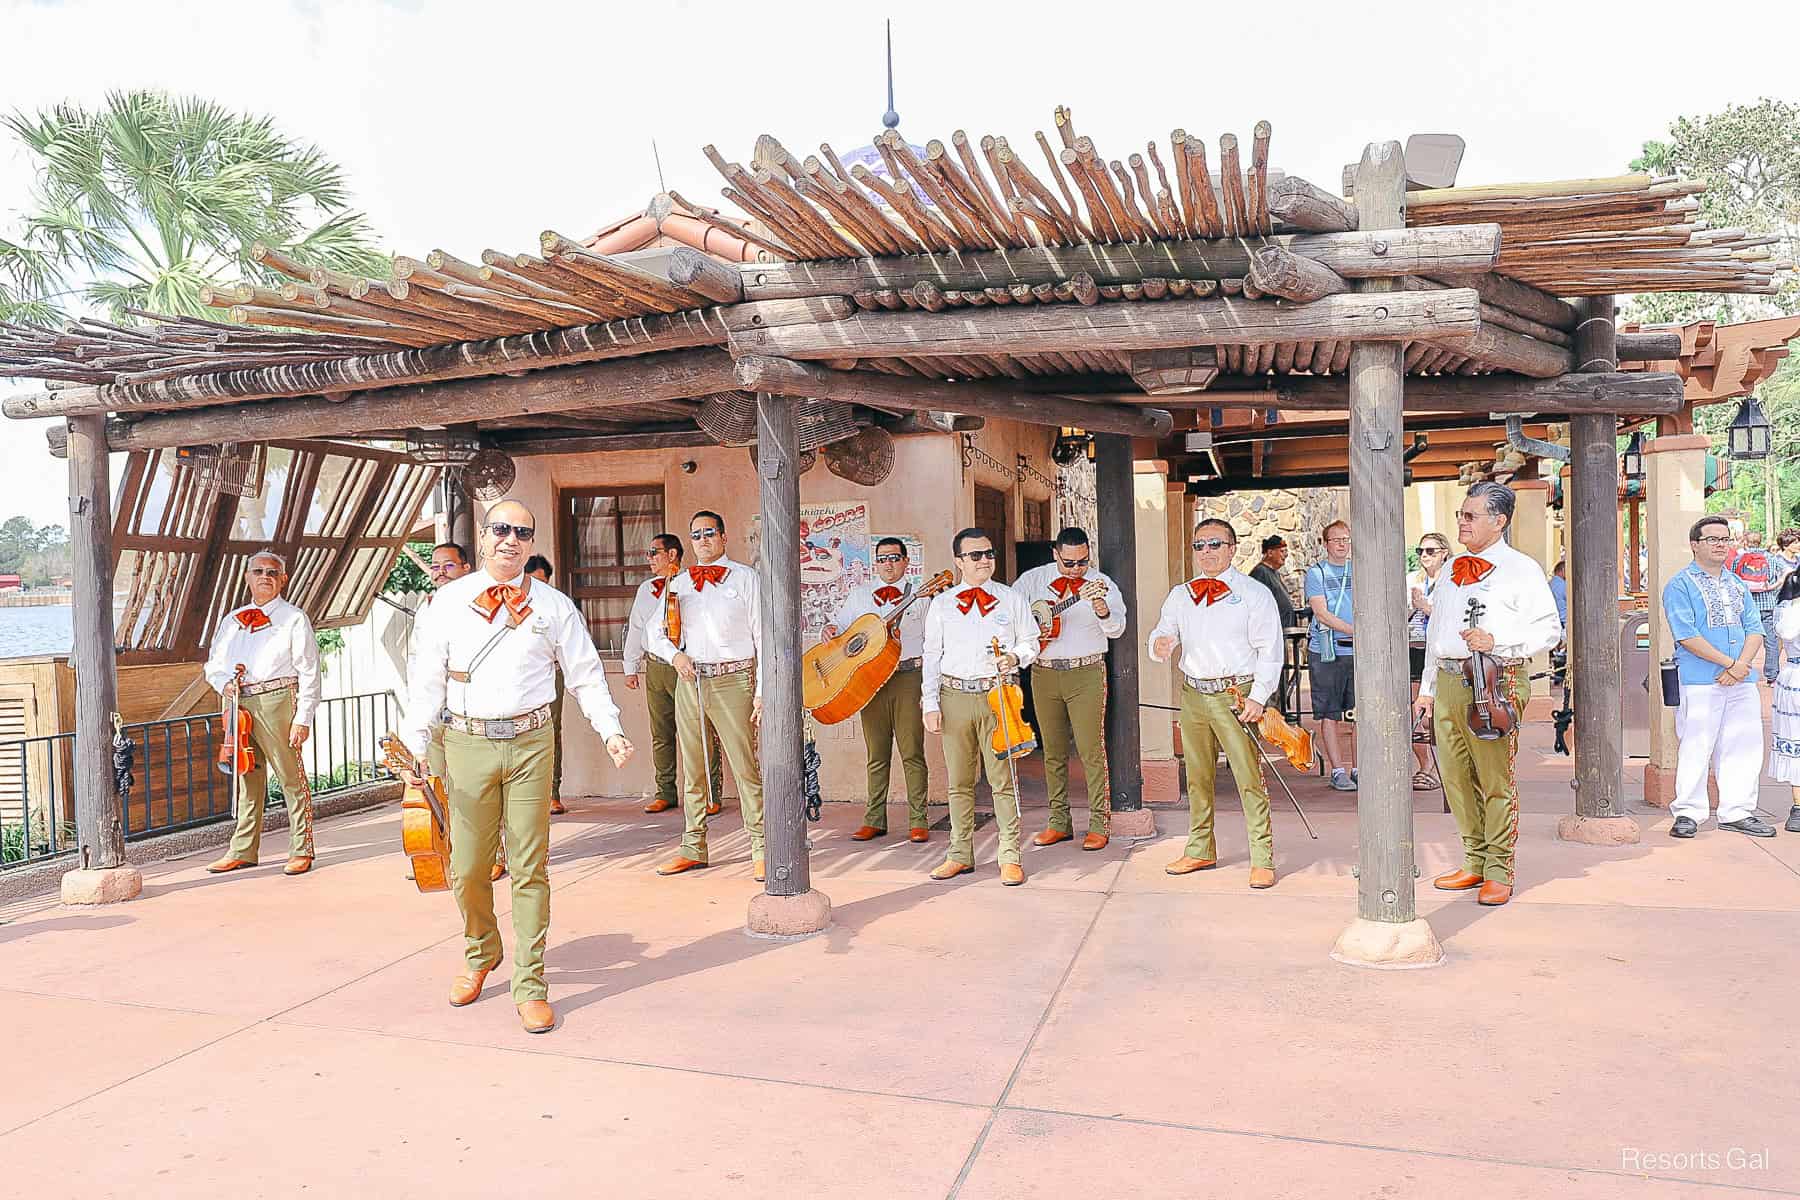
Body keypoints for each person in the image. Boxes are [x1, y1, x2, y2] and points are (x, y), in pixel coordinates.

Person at [401, 500, 633, 1033]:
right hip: (466, 741)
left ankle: (530, 983)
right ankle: (482, 951)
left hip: (531, 743)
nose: (511, 539)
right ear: (483, 537)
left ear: (530, 543)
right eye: (501, 529)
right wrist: (415, 742)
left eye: (522, 533)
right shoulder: (448, 602)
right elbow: (427, 679)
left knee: (530, 868)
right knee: (467, 867)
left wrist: (610, 728)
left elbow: (584, 673)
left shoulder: (553, 606)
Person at [1413, 483, 1563, 907]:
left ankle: (1499, 868)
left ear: (1498, 521)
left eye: (1470, 515)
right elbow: (1437, 633)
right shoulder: (1452, 568)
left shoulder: (1521, 569)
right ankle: (1474, 859)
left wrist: (1497, 639)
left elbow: (1549, 630)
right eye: (1461, 514)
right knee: (1456, 779)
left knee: (1495, 778)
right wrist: (1426, 691)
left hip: (1493, 680)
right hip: (1446, 680)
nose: (1461, 521)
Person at [1148, 518, 1284, 889]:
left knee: (1247, 776)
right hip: (1193, 693)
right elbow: (1163, 630)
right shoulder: (1182, 594)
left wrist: (1259, 697)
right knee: (1197, 775)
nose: (1206, 552)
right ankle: (1200, 847)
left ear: (1232, 548)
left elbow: (1270, 651)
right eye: (1200, 545)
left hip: (1234, 693)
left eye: (1214, 544)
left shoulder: (1254, 593)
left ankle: (1262, 856)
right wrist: (1159, 644)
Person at [646, 510, 767, 879]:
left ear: (724, 537)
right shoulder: (677, 584)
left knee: (745, 766)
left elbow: (763, 635)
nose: (703, 540)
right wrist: (674, 654)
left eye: (709, 533)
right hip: (692, 680)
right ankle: (693, 846)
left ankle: (762, 846)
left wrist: (762, 690)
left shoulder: (746, 578)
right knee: (693, 768)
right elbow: (655, 632)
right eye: (696, 534)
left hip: (735, 680)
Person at [921, 527, 1039, 885]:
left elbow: (1031, 640)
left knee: (1002, 779)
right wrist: (930, 702)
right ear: (959, 561)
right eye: (975, 555)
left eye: (989, 554)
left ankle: (1010, 854)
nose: (984, 561)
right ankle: (959, 853)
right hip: (954, 696)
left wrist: (1015, 657)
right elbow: (931, 654)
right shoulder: (941, 604)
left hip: (996, 695)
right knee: (958, 781)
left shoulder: (1010, 598)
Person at [203, 551, 322, 876]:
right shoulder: (232, 620)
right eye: (258, 571)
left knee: (290, 777)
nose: (265, 576)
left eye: (273, 572)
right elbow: (213, 664)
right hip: (239, 703)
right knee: (247, 779)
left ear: (283, 579)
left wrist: (303, 718)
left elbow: (310, 670)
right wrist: (223, 683)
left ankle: (301, 849)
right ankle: (243, 849)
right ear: (247, 577)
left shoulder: (294, 618)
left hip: (278, 699)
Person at [1663, 516, 1777, 840]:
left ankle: (1737, 811)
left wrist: (1740, 666)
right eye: (1712, 539)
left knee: (1744, 744)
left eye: (1724, 539)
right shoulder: (1680, 585)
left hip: (1741, 680)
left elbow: (1754, 628)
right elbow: (1686, 635)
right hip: (1701, 680)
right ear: (1695, 544)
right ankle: (1688, 812)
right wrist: (1732, 664)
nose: (1719, 545)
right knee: (1696, 744)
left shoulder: (1736, 583)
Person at [1015, 527, 1127, 852]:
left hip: (1087, 671)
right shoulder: (1032, 581)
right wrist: (1032, 627)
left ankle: (1098, 824)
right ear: (1055, 553)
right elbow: (1010, 616)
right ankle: (1059, 822)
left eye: (1082, 562)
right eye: (1068, 563)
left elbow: (1117, 628)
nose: (1076, 569)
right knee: (1052, 752)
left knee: (1091, 751)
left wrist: (1102, 608)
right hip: (1044, 672)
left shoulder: (1102, 583)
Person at [824, 536, 932, 844]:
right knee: (876, 753)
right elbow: (839, 629)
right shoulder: (860, 595)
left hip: (908, 676)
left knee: (912, 751)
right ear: (876, 564)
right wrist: (829, 631)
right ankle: (874, 819)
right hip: (870, 681)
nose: (888, 564)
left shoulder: (921, 597)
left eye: (894, 558)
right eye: (882, 559)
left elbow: (935, 640)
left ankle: (918, 820)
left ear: (906, 562)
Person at [410, 542, 506, 883]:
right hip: (435, 712)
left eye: (447, 566)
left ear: (466, 568)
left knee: (477, 787)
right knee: (441, 787)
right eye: (434, 566)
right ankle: (452, 853)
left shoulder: (480, 603)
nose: (439, 572)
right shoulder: (427, 607)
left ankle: (495, 854)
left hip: (468, 712)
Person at [621, 532, 722, 817]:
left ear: (673, 555)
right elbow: (637, 627)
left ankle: (710, 793)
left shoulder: (691, 583)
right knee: (661, 732)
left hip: (685, 665)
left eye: (655, 552)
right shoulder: (646, 589)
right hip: (656, 667)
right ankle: (665, 791)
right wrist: (631, 666)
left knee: (700, 730)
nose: (649, 558)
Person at [1304, 520, 1357, 790]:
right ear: (1326, 544)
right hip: (1328, 651)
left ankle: (1359, 768)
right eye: (1336, 540)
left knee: (1359, 712)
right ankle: (1338, 770)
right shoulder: (1317, 573)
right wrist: (1356, 630)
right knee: (1330, 713)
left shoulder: (1358, 569)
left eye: (1346, 539)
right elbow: (1321, 613)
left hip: (1356, 652)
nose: (1342, 544)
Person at [523, 554, 568, 816]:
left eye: (545, 582)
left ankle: (552, 792)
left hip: (551, 674)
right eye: (535, 581)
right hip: (521, 681)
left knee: (551, 731)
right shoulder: (511, 604)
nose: (540, 587)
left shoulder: (556, 606)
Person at [1406, 532, 1452, 791]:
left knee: (1436, 711)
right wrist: (1413, 607)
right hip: (1414, 647)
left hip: (1439, 650)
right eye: (1421, 550)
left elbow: (1451, 617)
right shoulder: (1412, 579)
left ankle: (1440, 764)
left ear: (1444, 552)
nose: (1425, 555)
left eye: (1431, 550)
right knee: (1415, 711)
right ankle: (1425, 765)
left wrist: (1426, 607)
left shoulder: (1451, 581)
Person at [1249, 535, 1298, 718]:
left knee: (1283, 678)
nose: (1285, 555)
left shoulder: (1274, 573)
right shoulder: (1260, 574)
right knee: (1272, 679)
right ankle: (1270, 716)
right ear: (1269, 552)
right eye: (1281, 551)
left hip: (1281, 635)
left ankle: (1279, 714)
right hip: (1268, 638)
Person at [1766, 570, 1800, 834]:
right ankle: (1798, 808)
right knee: (1795, 741)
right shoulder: (1789, 609)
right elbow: (1787, 632)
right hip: (1796, 677)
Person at [1729, 531, 1782, 681]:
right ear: (1761, 542)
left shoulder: (1739, 559)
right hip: (1766, 605)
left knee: (1744, 639)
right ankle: (1772, 675)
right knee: (1771, 641)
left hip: (1745, 606)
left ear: (1746, 542)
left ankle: (1744, 669)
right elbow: (1782, 576)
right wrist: (1772, 588)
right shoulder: (1771, 559)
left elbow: (1733, 579)